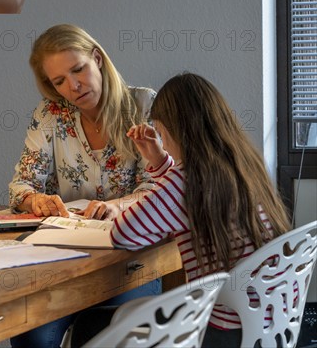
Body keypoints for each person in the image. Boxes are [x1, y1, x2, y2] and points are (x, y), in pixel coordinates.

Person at [70, 73, 292, 348]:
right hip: (269, 326)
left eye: (162, 134)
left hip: (223, 332)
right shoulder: (242, 163)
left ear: (176, 130)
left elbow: (124, 234)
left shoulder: (188, 179)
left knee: (89, 325)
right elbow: (186, 200)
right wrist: (162, 162)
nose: (163, 140)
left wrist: (163, 174)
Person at [8, 24, 160, 348]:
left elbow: (160, 186)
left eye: (79, 69)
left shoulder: (143, 105)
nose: (74, 86)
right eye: (59, 81)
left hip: (130, 257)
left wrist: (117, 205)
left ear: (97, 59)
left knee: (100, 331)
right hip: (66, 261)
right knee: (28, 332)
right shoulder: (50, 114)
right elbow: (21, 185)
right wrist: (35, 201)